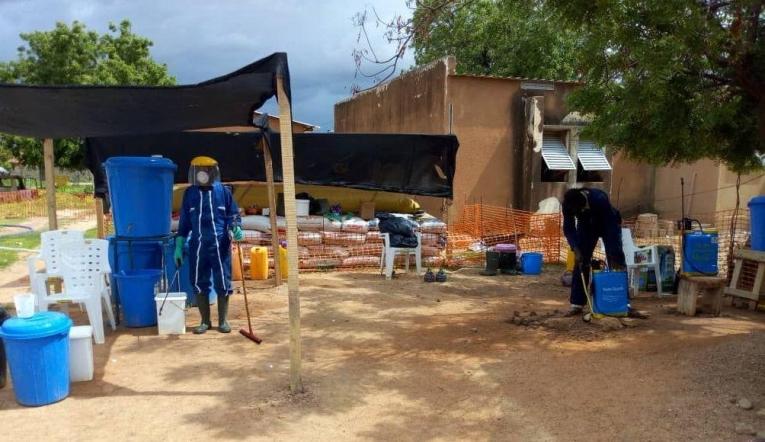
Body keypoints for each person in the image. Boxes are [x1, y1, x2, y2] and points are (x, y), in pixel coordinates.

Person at [175, 156, 243, 334]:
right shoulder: (190, 193)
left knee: (223, 281)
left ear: (213, 172)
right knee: (198, 281)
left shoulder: (224, 192)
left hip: (220, 245)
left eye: (206, 170)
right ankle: (205, 321)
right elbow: (183, 223)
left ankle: (223, 321)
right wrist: (179, 245)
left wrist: (235, 227)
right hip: (198, 246)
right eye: (199, 170)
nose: (202, 174)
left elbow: (233, 214)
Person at [562, 187, 645, 318]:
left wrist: (613, 250)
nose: (578, 213)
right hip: (586, 226)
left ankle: (623, 304)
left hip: (608, 222)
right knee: (581, 260)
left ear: (583, 203)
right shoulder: (568, 205)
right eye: (576, 212)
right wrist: (575, 247)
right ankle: (577, 304)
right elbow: (569, 228)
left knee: (616, 258)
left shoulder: (599, 198)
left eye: (580, 210)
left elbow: (610, 229)